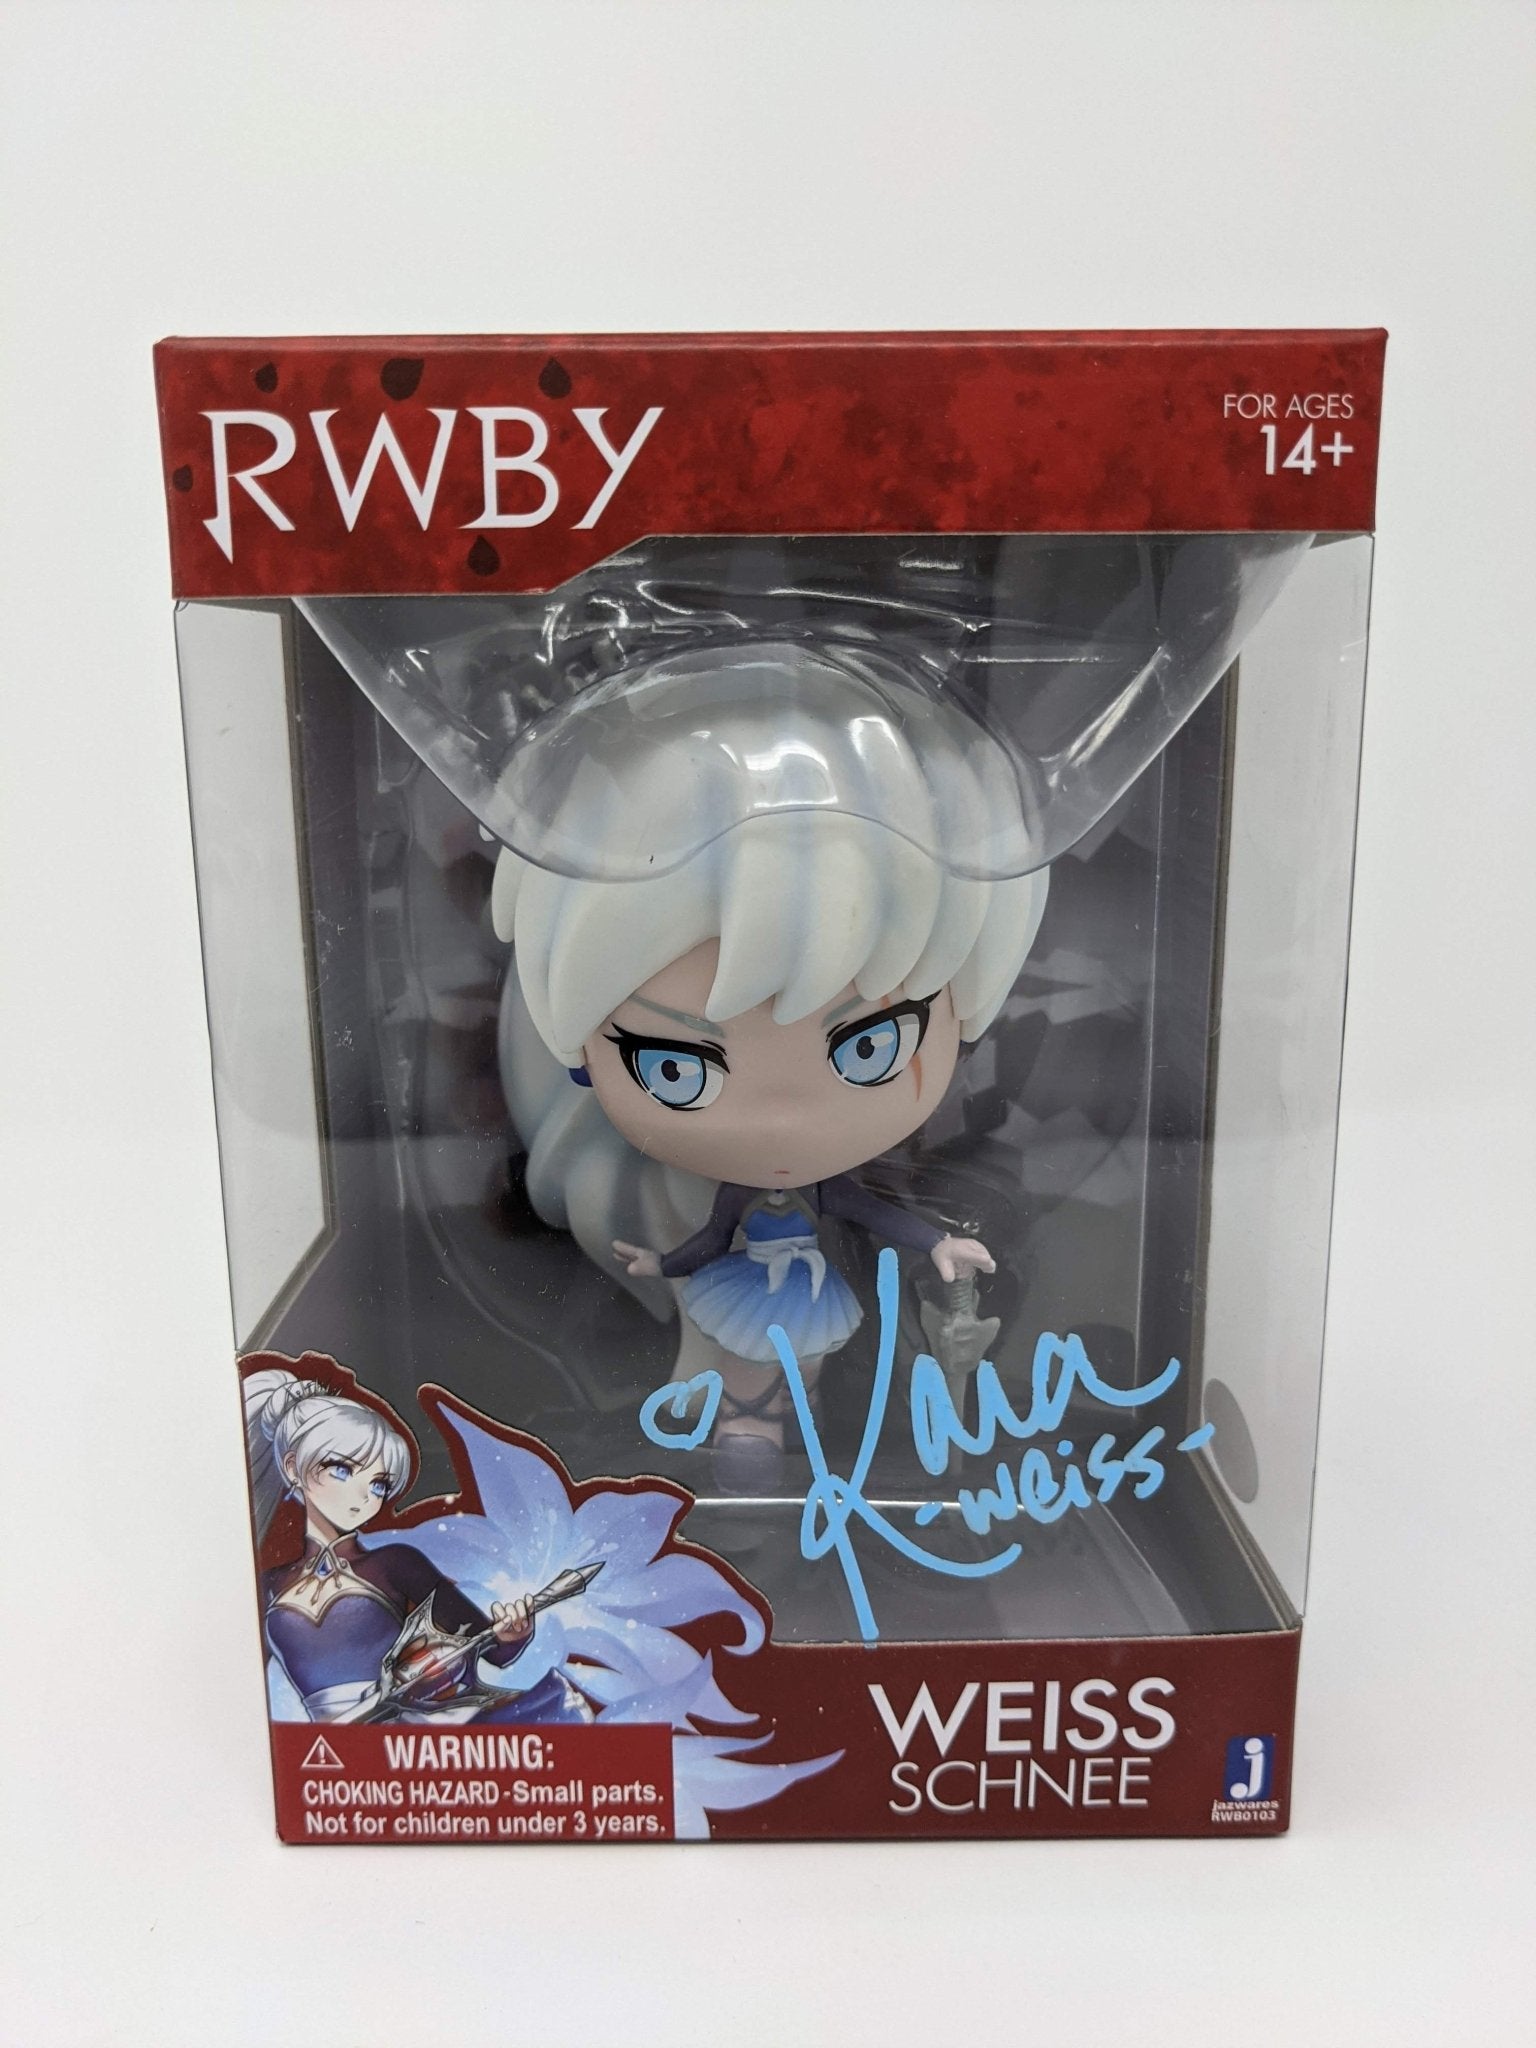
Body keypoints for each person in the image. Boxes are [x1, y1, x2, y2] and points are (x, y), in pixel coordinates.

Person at [495, 641, 1048, 1487]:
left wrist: (940, 1245)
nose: (782, 1119)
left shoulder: (821, 1190)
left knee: (794, 1357)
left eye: (871, 1047)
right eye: (674, 1067)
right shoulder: (712, 1193)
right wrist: (660, 1264)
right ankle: (747, 1418)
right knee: (743, 1351)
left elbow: (869, 1211)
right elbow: (711, 1238)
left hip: (803, 1295)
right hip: (753, 1290)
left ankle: (794, 1416)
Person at [244, 1368, 586, 1724]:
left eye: (378, 1484)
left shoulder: (393, 1564)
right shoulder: (269, 1584)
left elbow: (489, 1647)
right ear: (293, 1468)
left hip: (400, 1733)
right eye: (342, 1470)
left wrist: (513, 1636)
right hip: (321, 1746)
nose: (364, 1496)